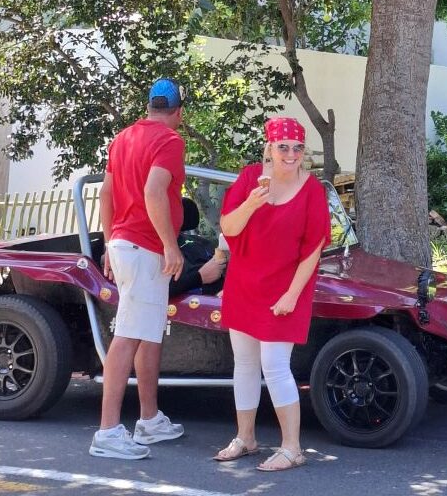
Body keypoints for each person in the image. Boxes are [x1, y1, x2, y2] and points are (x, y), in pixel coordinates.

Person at [214, 116, 331, 471]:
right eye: (283, 147)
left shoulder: (311, 190)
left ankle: (292, 448)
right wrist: (251, 202)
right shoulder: (251, 178)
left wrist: (293, 296)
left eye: (297, 148)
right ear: (270, 148)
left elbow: (314, 248)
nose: (291, 154)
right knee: (246, 365)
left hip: (285, 291)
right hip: (245, 284)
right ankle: (246, 437)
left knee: (275, 366)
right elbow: (228, 226)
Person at [89, 78, 187, 460]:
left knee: (147, 333)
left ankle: (148, 420)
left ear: (149, 107)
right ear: (178, 112)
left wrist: (110, 244)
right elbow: (153, 191)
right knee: (129, 336)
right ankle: (108, 432)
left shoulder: (123, 138)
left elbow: (106, 192)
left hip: (126, 244)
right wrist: (169, 244)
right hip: (146, 249)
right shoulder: (170, 141)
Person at [169, 196, 229, 297]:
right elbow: (152, 290)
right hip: (190, 304)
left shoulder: (201, 242)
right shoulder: (151, 248)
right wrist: (200, 277)